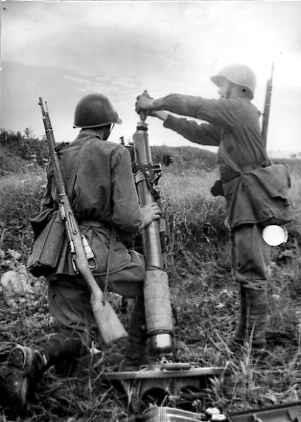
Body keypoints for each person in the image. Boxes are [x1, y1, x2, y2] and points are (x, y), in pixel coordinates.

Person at [3, 93, 161, 410]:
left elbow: (47, 209)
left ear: (80, 126)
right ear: (106, 126)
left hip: (56, 252)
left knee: (74, 331)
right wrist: (144, 216)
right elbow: (128, 218)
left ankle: (33, 359)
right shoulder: (114, 152)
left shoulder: (59, 155)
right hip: (97, 249)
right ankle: (137, 357)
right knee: (152, 281)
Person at [135, 64, 292, 352]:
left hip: (251, 198)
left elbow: (195, 106)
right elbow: (196, 132)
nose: (219, 91)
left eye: (223, 85)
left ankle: (254, 345)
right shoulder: (234, 118)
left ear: (237, 87)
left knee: (252, 270)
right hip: (244, 198)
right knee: (246, 268)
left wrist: (154, 102)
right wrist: (160, 115)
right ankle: (244, 339)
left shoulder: (240, 109)